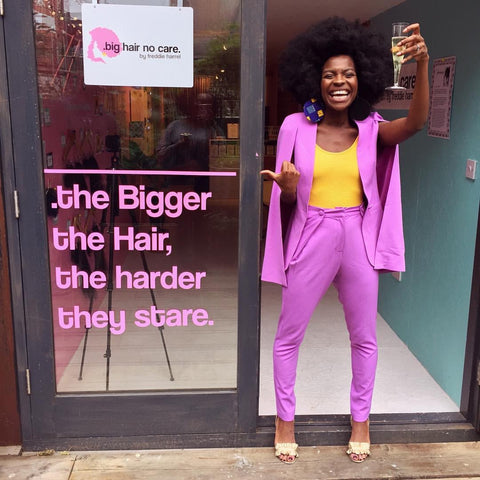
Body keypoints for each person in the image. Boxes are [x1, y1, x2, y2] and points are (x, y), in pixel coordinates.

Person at [261, 17, 429, 464]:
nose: (340, 81)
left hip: (356, 235)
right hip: (310, 234)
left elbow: (415, 124)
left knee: (365, 337)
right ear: (315, 78)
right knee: (287, 336)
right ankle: (285, 422)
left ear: (362, 79)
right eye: (331, 73)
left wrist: (424, 65)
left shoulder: (372, 128)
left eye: (349, 73)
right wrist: (290, 188)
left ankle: (361, 422)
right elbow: (278, 194)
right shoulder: (295, 127)